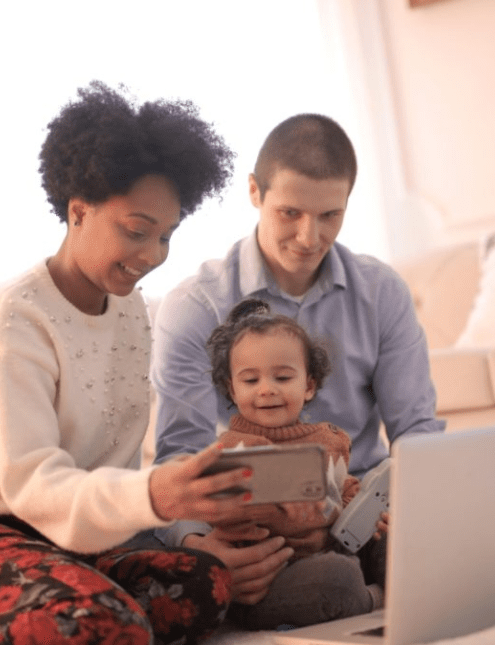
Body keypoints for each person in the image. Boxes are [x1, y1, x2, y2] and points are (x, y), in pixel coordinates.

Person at [0, 81, 276, 645]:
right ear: (78, 210)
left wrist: (180, 533)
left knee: (205, 584)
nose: (153, 256)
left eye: (166, 235)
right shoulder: (12, 322)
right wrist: (157, 496)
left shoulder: (129, 309)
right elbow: (35, 486)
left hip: (54, 543)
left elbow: (106, 475)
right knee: (99, 624)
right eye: (136, 231)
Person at [150, 113, 446, 624]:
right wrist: (204, 546)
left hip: (367, 510)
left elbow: (417, 433)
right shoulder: (195, 305)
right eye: (290, 212)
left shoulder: (381, 292)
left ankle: (389, 583)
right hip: (263, 529)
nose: (310, 236)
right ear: (254, 193)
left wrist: (413, 509)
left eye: (330, 214)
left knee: (452, 544)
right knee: (327, 582)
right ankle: (381, 598)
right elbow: (178, 457)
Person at [202, 297, 388, 628]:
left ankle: (409, 585)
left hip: (339, 545)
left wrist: (366, 517)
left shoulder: (329, 439)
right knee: (336, 578)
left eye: (283, 378)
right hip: (276, 579)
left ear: (309, 386)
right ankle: (375, 599)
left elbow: (346, 487)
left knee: (393, 539)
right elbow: (225, 512)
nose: (266, 390)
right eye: (250, 380)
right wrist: (288, 504)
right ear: (231, 390)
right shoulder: (230, 449)